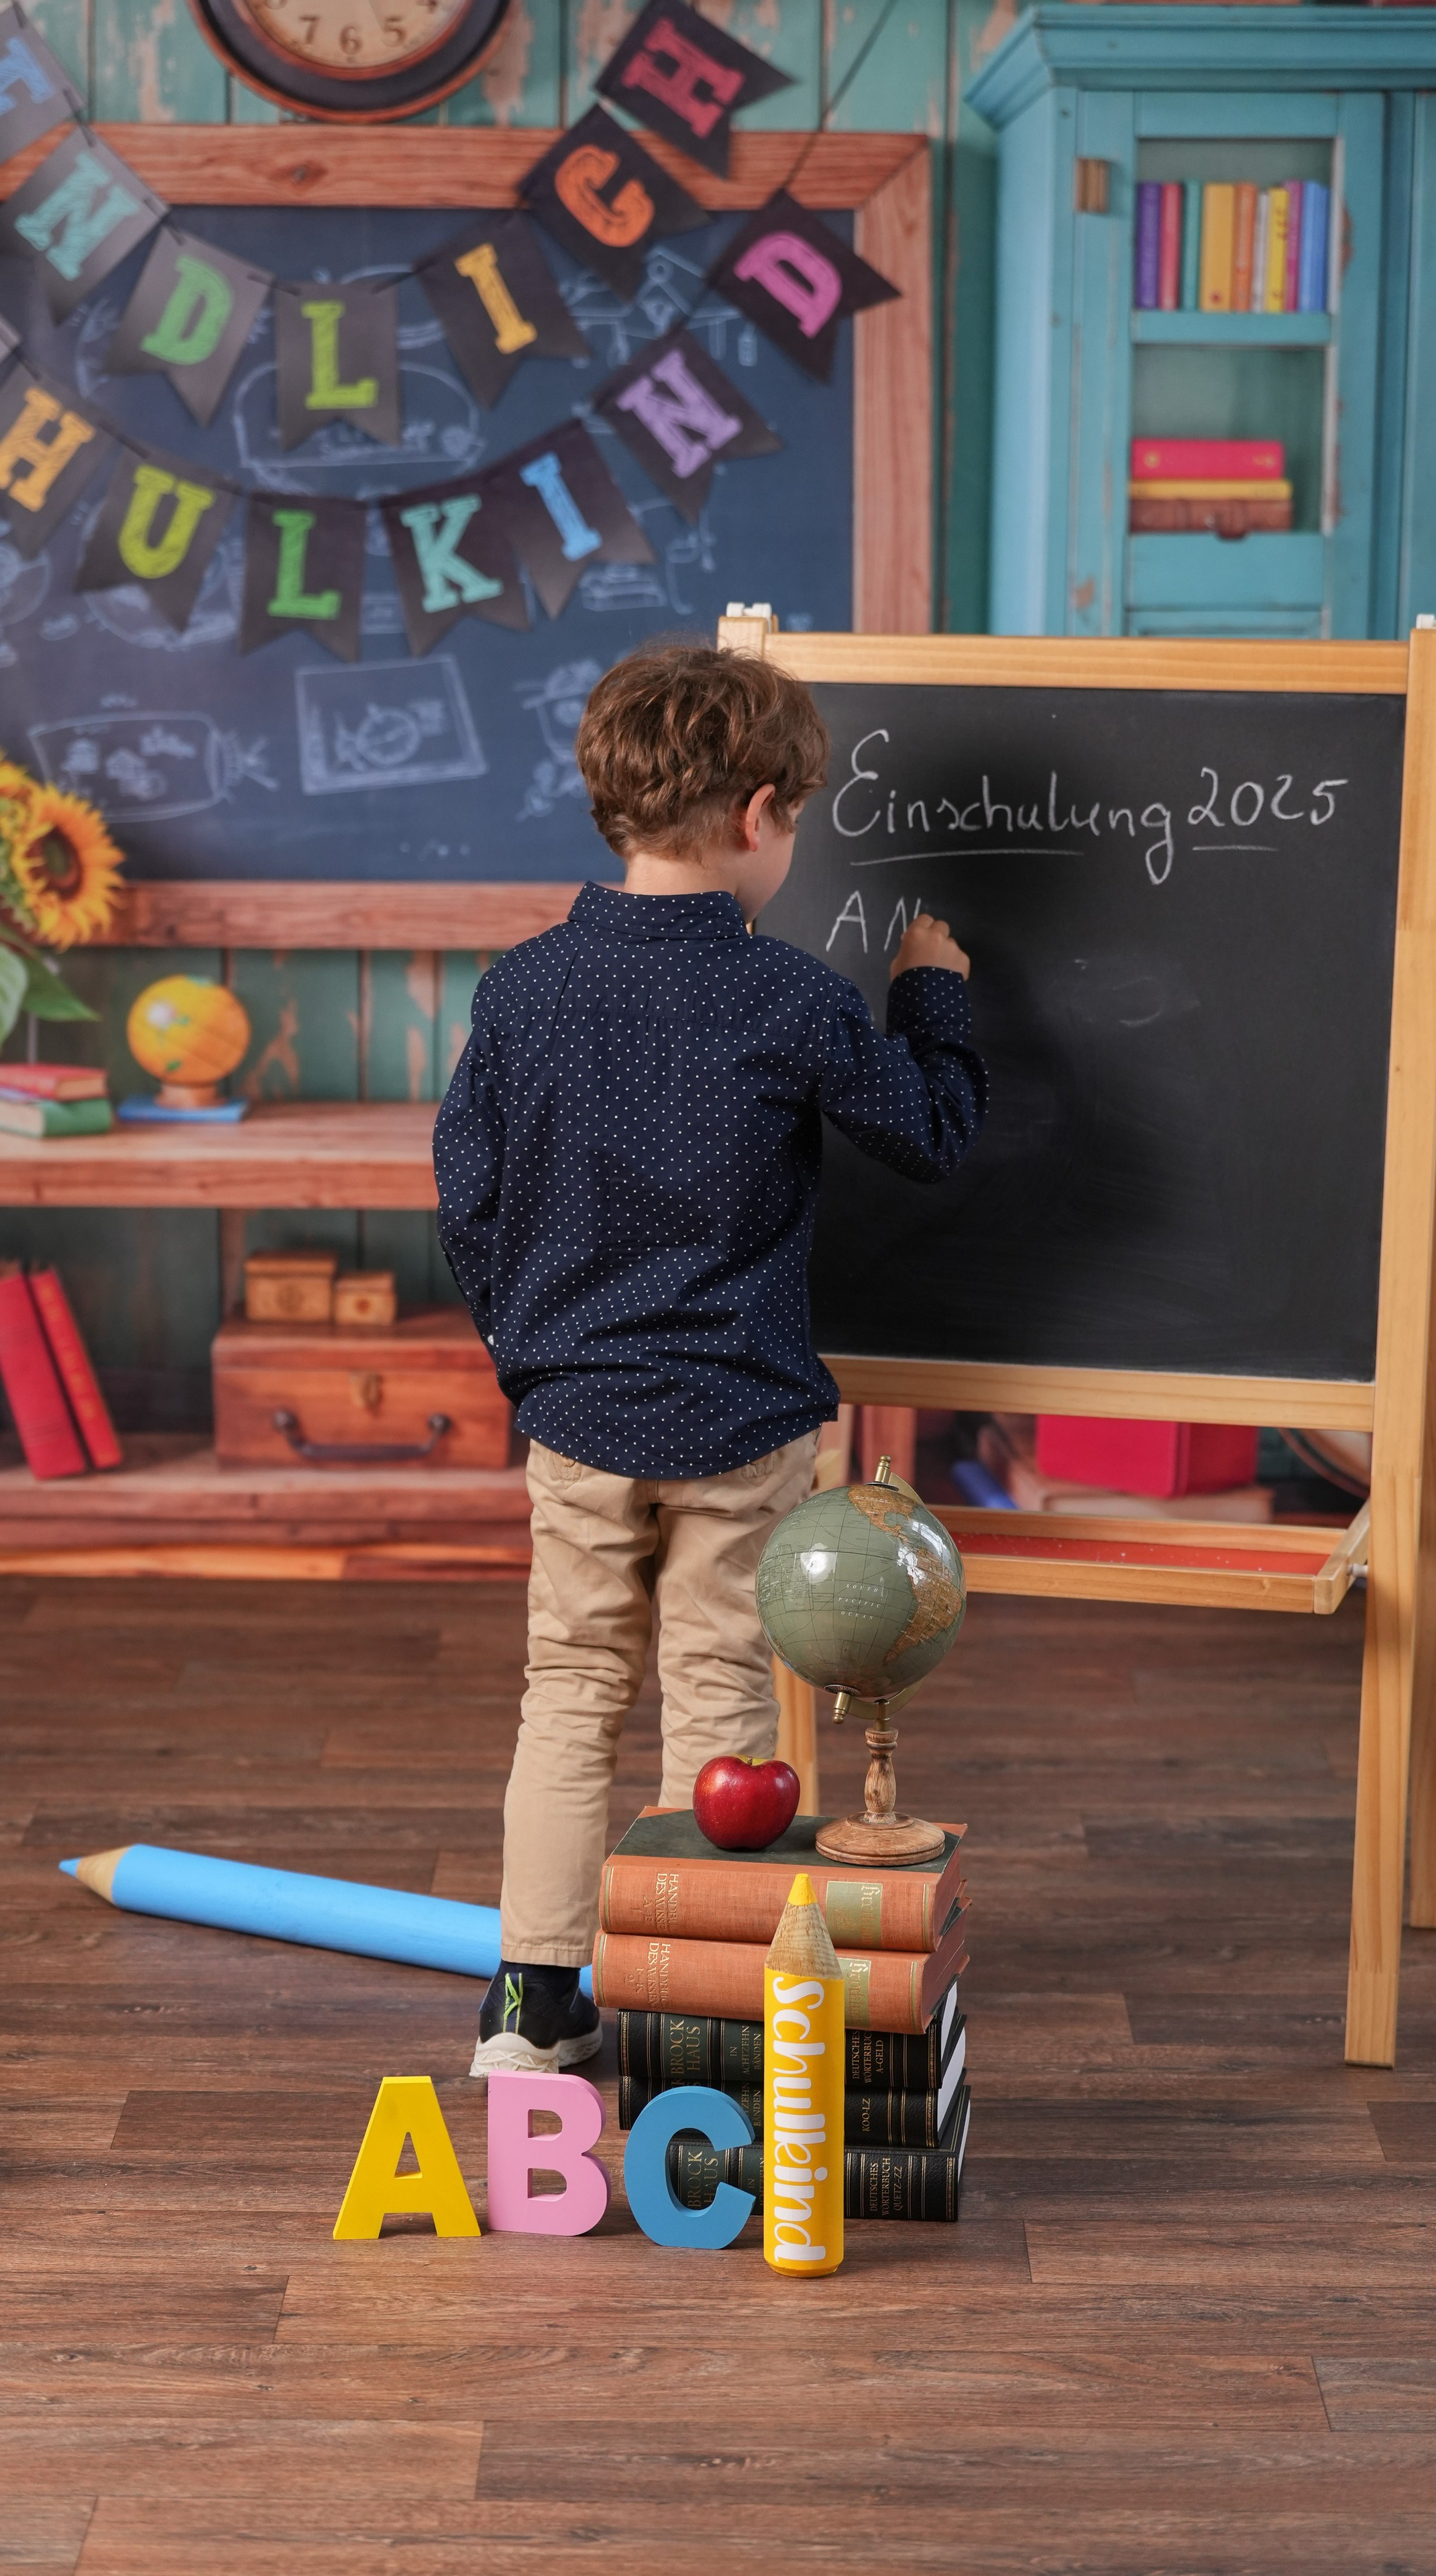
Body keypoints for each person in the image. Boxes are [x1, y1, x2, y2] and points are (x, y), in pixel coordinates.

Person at [434, 641, 986, 2074]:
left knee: (565, 1692)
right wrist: (930, 992)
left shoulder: (521, 990)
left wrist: (529, 1356)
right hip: (736, 1420)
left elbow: (467, 1193)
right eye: (795, 821)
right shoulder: (789, 1001)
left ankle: (531, 2004)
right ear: (755, 814)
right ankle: (697, 2013)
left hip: (577, 1414)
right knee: (721, 1697)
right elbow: (928, 1137)